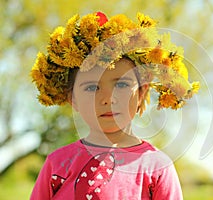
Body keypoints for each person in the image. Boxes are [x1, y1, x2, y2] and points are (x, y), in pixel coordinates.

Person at [30, 11, 199, 200]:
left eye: (121, 84)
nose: (108, 99)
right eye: (92, 87)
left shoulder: (157, 167)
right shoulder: (58, 164)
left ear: (141, 93)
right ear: (73, 99)